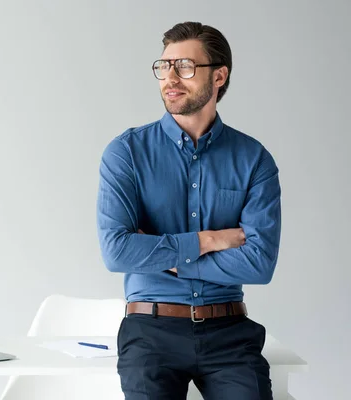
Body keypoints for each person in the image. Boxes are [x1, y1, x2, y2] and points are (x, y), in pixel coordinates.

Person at [96, 21, 280, 400]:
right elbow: (116, 252)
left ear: (219, 76)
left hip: (228, 331)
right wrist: (209, 240)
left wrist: (167, 256)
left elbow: (259, 264)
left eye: (185, 67)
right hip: (150, 331)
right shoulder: (127, 153)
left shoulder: (254, 160)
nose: (170, 78)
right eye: (164, 67)